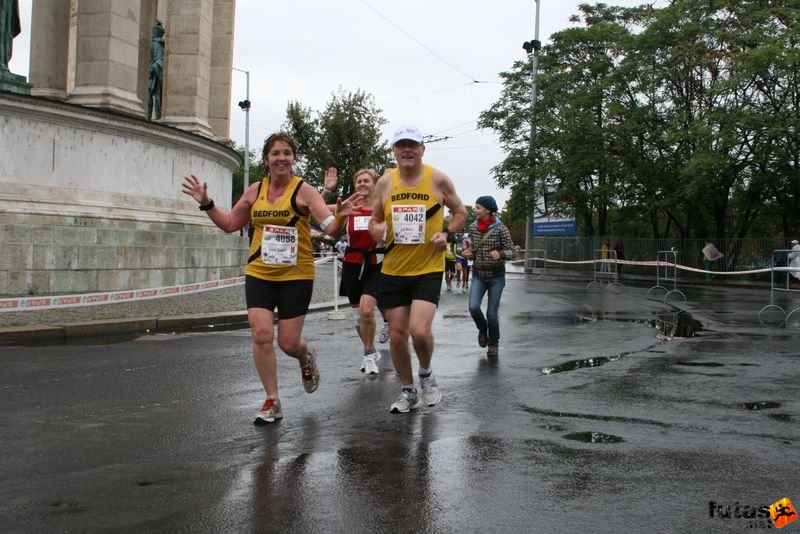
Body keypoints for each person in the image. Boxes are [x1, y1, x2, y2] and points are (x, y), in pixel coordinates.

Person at [181, 132, 358, 425]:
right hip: (260, 272)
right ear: (266, 159)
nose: (281, 158)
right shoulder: (254, 191)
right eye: (275, 153)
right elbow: (229, 224)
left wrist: (341, 217)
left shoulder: (304, 191)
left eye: (287, 153)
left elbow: (328, 228)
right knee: (261, 334)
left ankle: (305, 356)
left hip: (296, 275)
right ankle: (272, 400)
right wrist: (206, 202)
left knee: (288, 343)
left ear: (293, 158)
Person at [369, 125, 466, 413]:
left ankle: (426, 373)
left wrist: (447, 233)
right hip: (394, 269)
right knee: (398, 336)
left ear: (423, 149)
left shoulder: (437, 179)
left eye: (413, 145)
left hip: (427, 268)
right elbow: (374, 220)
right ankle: (408, 390)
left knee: (419, 331)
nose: (407, 150)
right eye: (402, 146)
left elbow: (461, 212)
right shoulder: (386, 182)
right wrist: (378, 229)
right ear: (394, 151)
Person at [330, 167, 386, 375]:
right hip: (352, 263)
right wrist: (338, 213)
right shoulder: (348, 206)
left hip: (375, 262)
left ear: (375, 184)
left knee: (366, 310)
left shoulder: (383, 206)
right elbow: (327, 220)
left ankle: (368, 356)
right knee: (357, 318)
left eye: (366, 181)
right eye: (359, 181)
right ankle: (370, 348)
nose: (362, 184)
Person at [462, 196, 515, 358]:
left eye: (478, 208)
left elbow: (513, 252)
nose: (475, 210)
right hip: (478, 274)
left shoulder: (501, 228)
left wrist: (500, 253)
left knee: (492, 313)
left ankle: (493, 343)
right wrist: (466, 254)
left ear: (488, 210)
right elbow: (468, 249)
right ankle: (482, 329)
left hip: (496, 277)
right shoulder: (472, 227)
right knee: (473, 307)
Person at [443, 224, 457, 291]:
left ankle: (450, 281)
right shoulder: (445, 242)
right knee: (447, 273)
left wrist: (456, 257)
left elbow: (456, 252)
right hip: (446, 259)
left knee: (452, 274)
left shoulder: (454, 244)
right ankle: (448, 284)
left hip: (453, 260)